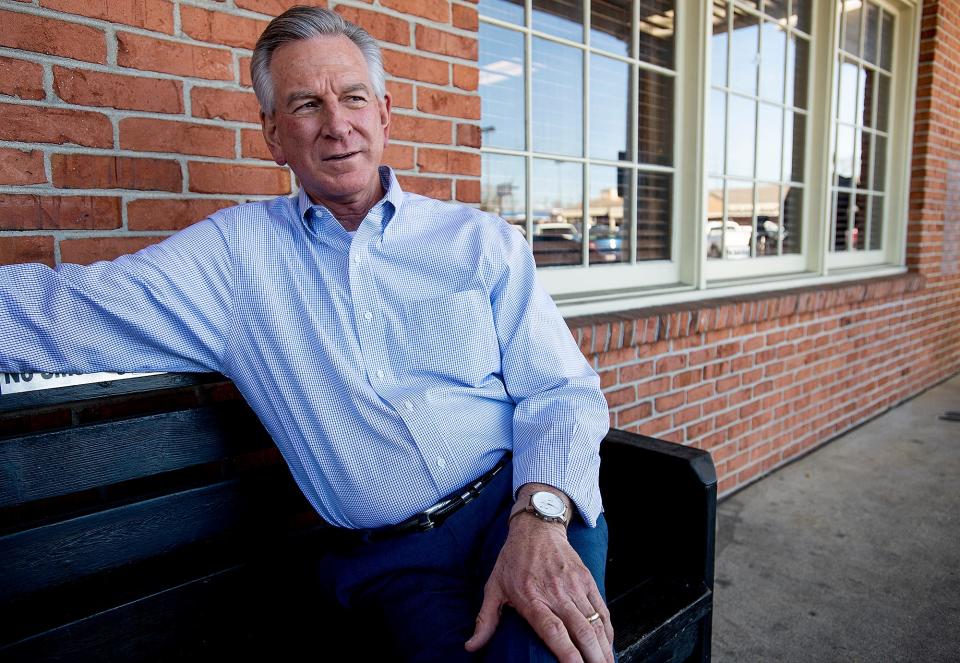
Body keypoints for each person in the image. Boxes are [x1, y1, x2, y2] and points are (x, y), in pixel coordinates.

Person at [0, 7, 613, 662]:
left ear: (384, 112)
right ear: (272, 134)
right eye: (305, 104)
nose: (337, 123)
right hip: (398, 562)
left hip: (521, 502)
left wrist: (540, 515)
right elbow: (63, 311)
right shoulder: (235, 261)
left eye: (352, 98)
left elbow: (562, 391)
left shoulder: (480, 242)